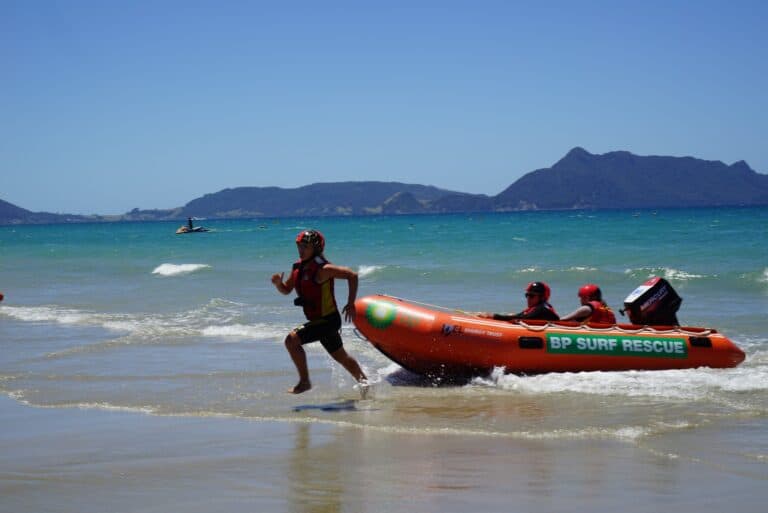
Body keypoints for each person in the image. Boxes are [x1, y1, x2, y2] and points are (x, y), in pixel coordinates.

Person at [271, 229, 368, 394]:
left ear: (315, 249)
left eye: (305, 247)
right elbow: (287, 290)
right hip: (322, 322)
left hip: (328, 321)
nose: (301, 250)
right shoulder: (298, 268)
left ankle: (304, 382)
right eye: (299, 246)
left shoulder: (323, 269)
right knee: (341, 357)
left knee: (291, 340)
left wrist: (351, 303)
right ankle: (366, 384)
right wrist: (278, 284)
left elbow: (352, 275)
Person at [477, 281, 559, 321]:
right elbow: (518, 316)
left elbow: (521, 318)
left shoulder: (542, 309)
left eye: (532, 296)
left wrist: (494, 316)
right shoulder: (536, 308)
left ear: (542, 298)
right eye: (527, 295)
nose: (528, 299)